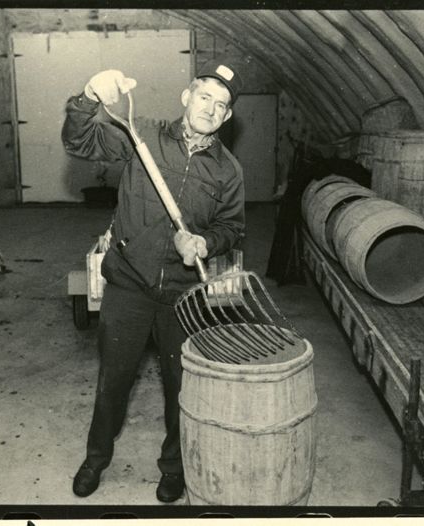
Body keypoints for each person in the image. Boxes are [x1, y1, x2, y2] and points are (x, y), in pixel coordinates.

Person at [61, 60, 245, 502]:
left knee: (180, 390)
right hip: (129, 285)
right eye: (204, 97)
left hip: (182, 297)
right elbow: (79, 141)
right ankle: (96, 458)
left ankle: (173, 468)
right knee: (113, 381)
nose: (211, 109)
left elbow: (232, 228)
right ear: (186, 97)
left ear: (228, 117)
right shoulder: (140, 137)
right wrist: (87, 97)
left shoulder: (228, 171)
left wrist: (204, 242)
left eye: (221, 106)